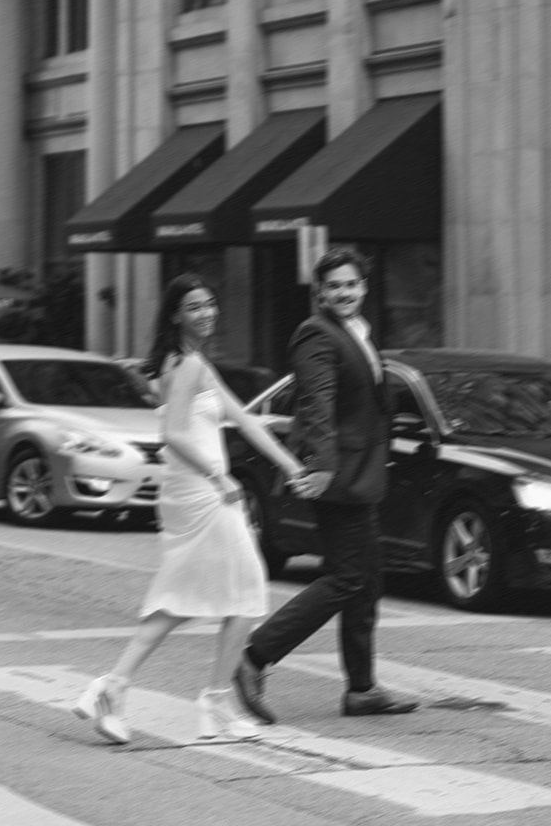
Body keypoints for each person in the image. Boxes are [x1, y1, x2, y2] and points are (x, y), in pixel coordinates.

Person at [73, 274, 306, 745]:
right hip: (204, 494)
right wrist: (220, 477)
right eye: (194, 307)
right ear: (176, 315)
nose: (207, 313)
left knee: (181, 600)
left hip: (192, 491)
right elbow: (174, 434)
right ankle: (215, 702)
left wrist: (292, 464)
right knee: (246, 593)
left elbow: (243, 420)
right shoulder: (188, 365)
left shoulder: (188, 363)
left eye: (210, 303)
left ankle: (112, 687)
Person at [232, 246, 418, 721]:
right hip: (337, 477)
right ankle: (255, 656)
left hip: (361, 474)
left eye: (351, 284)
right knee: (346, 578)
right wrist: (319, 466)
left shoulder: (358, 331)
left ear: (364, 287)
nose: (343, 293)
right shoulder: (316, 333)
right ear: (320, 292)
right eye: (334, 286)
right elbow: (316, 403)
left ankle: (362, 689)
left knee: (367, 581)